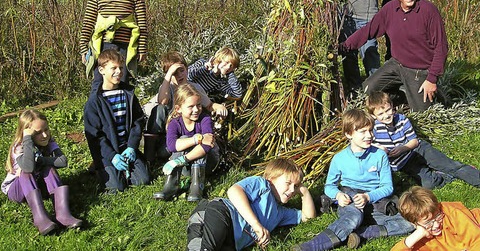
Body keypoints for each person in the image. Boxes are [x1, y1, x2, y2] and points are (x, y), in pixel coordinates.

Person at [292, 109, 414, 251]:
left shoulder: (380, 155)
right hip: (351, 196)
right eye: (363, 132)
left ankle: (361, 233)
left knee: (409, 223)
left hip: (375, 200)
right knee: (354, 217)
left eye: (370, 130)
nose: (369, 135)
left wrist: (368, 196)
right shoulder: (339, 158)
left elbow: (387, 187)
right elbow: (329, 186)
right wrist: (338, 195)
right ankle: (312, 246)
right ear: (349, 134)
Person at [367, 91, 480, 200]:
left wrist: (403, 148)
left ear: (392, 107)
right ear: (374, 116)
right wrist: (380, 150)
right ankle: (445, 175)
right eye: (381, 114)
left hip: (417, 150)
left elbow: (414, 141)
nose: (386, 115)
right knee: (428, 184)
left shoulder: (402, 120)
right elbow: (370, 147)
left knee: (451, 165)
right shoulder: (373, 129)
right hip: (405, 163)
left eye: (388, 110)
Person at [341, 0, 448, 112]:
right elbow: (368, 30)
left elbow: (441, 47)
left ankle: (437, 97)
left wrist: (432, 79)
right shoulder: (390, 9)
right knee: (367, 90)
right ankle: (402, 96)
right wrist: (344, 47)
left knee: (423, 113)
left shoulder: (428, 11)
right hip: (396, 64)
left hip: (419, 70)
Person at [187, 158, 316, 251]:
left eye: (296, 186)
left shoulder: (280, 213)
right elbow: (234, 191)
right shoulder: (262, 185)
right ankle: (199, 219)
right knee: (207, 248)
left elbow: (308, 217)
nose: (293, 190)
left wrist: (304, 191)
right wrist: (256, 225)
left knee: (199, 246)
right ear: (271, 179)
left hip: (233, 241)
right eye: (288, 183)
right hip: (223, 214)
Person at [1, 109, 83, 235]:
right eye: (38, 132)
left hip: (37, 185)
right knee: (25, 172)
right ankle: (40, 218)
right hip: (17, 190)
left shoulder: (48, 141)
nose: (44, 135)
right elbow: (28, 167)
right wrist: (27, 139)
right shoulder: (19, 146)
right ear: (27, 132)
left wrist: (41, 160)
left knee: (48, 168)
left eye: (46, 130)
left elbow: (62, 161)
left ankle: (63, 213)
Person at [143, 51, 228, 165]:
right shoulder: (167, 87)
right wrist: (168, 76)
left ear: (187, 69)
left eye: (182, 70)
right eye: (174, 73)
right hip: (168, 133)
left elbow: (208, 105)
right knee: (159, 109)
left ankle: (180, 159)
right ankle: (150, 157)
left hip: (186, 134)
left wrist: (218, 106)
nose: (179, 75)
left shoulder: (194, 88)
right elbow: (162, 101)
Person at [79, 0, 148, 89]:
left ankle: (123, 111)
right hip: (101, 45)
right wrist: (83, 48)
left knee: (122, 84)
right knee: (98, 84)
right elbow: (88, 21)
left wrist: (142, 48)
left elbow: (142, 23)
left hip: (126, 46)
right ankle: (97, 110)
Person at [84, 48, 150, 193]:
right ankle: (99, 167)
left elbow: (138, 121)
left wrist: (132, 146)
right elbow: (94, 135)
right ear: (101, 70)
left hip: (127, 148)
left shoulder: (128, 94)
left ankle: (130, 163)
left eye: (121, 68)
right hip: (108, 152)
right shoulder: (95, 101)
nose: (118, 72)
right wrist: (112, 156)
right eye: (113, 68)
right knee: (117, 187)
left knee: (142, 180)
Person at [153, 84, 219, 201]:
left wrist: (183, 159)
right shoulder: (175, 123)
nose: (196, 110)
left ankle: (197, 186)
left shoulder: (204, 120)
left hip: (207, 163)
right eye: (191, 106)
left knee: (198, 144)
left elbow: (207, 145)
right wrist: (195, 139)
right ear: (178, 109)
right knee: (184, 138)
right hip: (185, 166)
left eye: (198, 105)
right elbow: (172, 146)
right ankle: (171, 185)